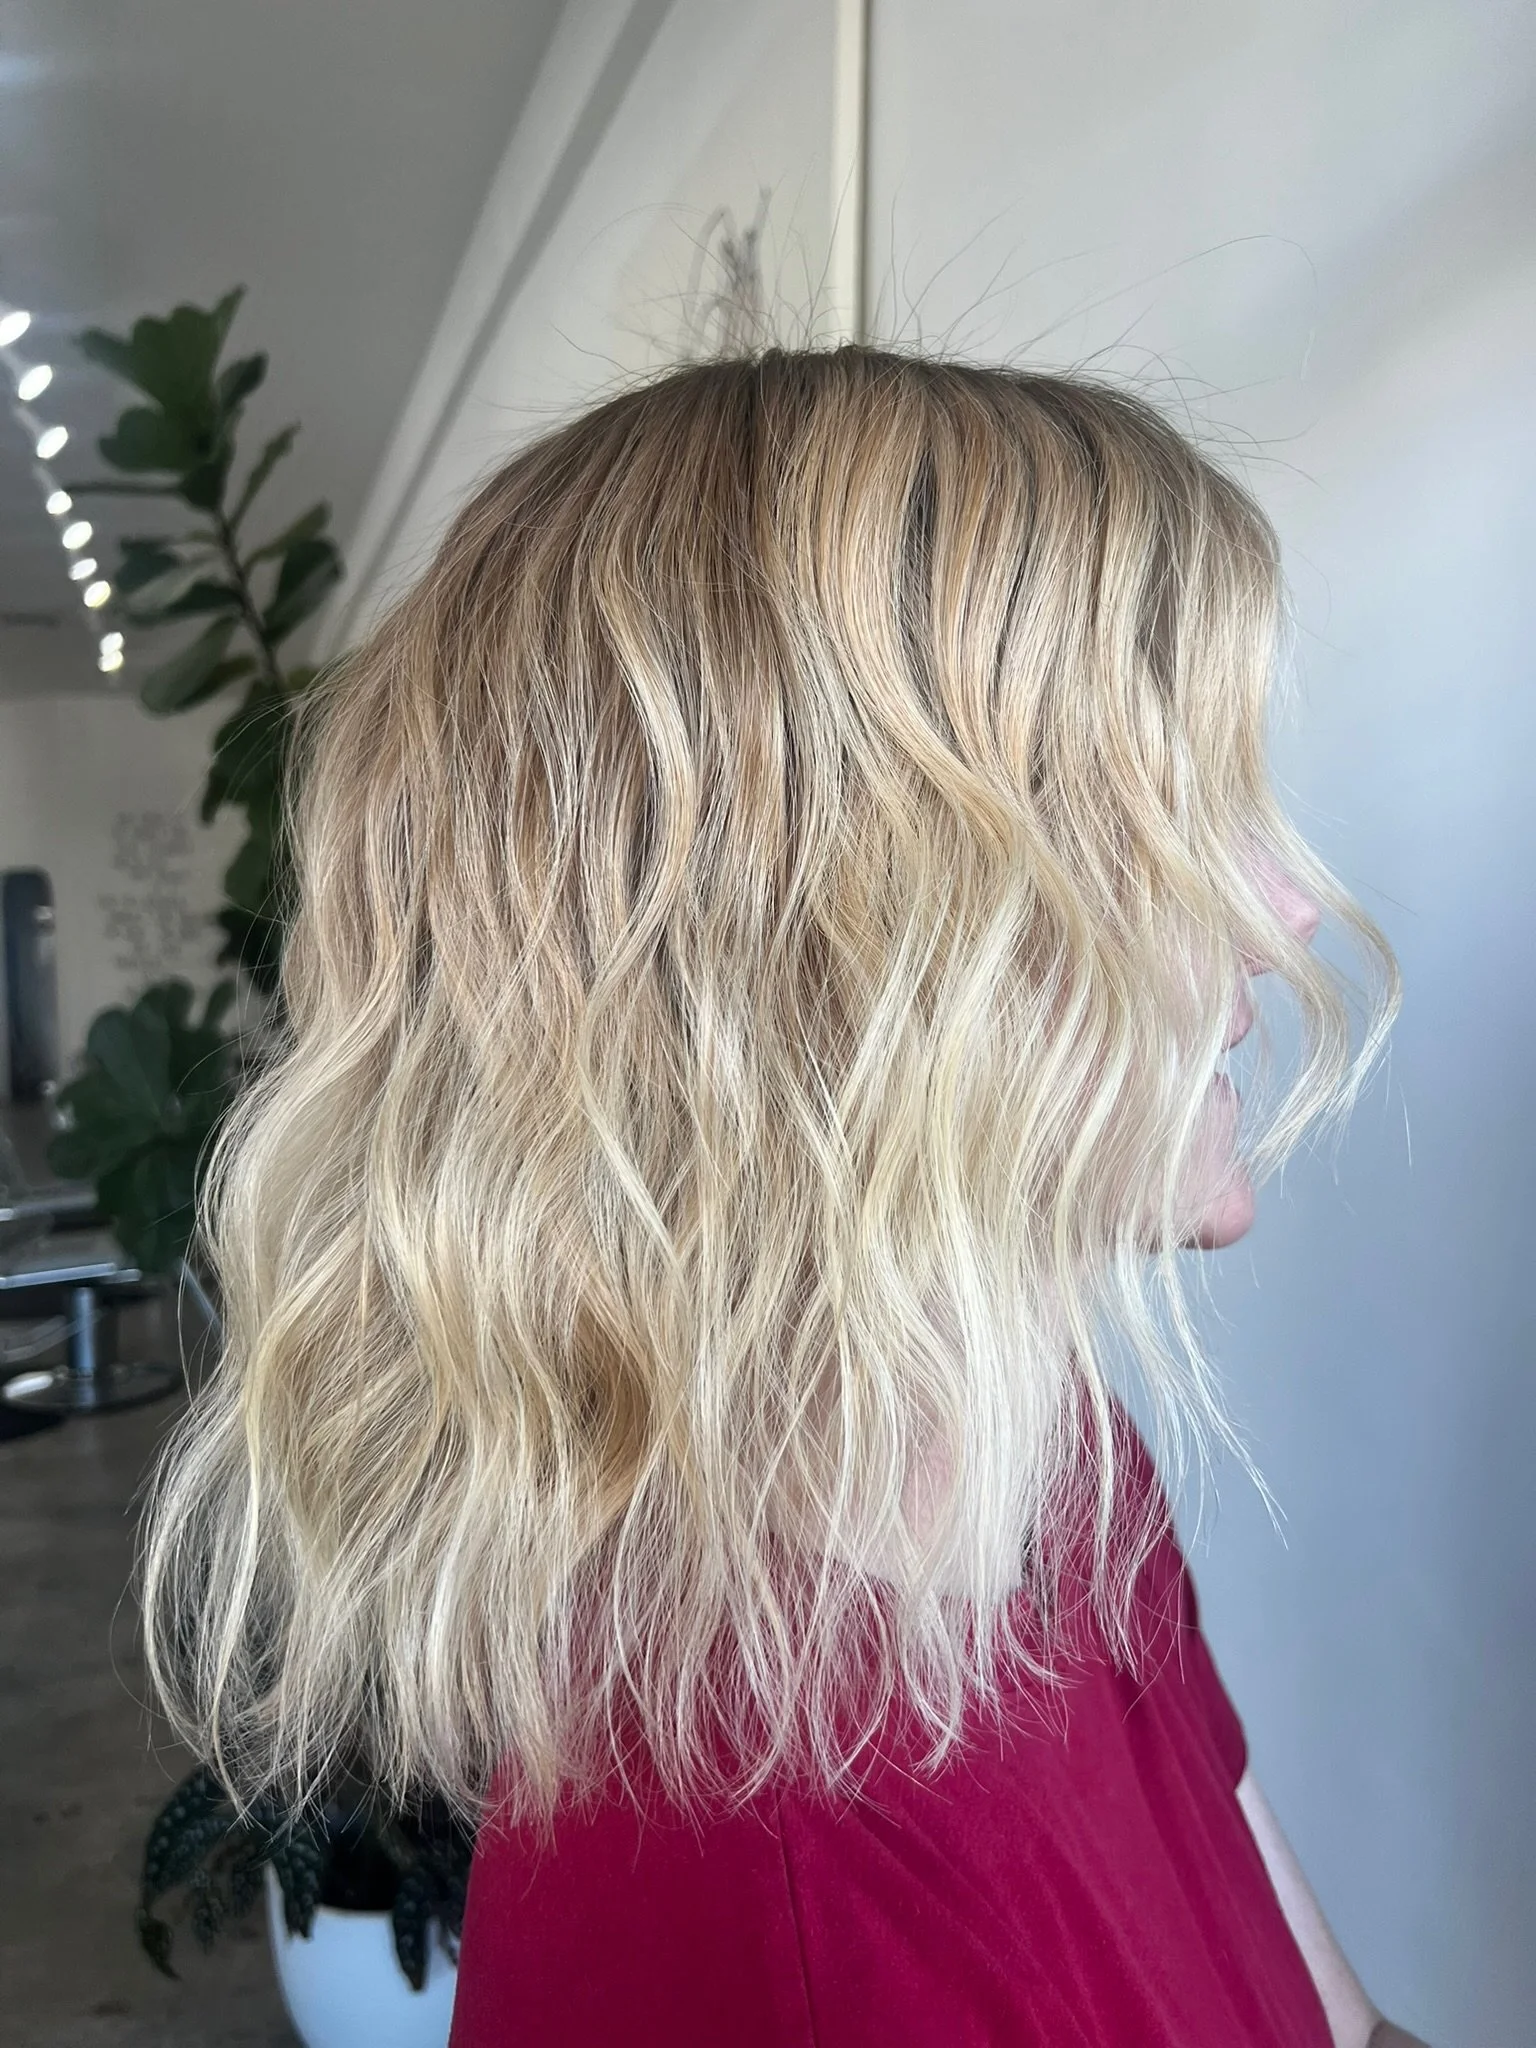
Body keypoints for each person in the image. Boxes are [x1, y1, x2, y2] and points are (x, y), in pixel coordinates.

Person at [139, 343, 1432, 2045]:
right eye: (1169, 817)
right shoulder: (763, 1899)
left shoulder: (1052, 1471)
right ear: (828, 953)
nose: (1282, 911)